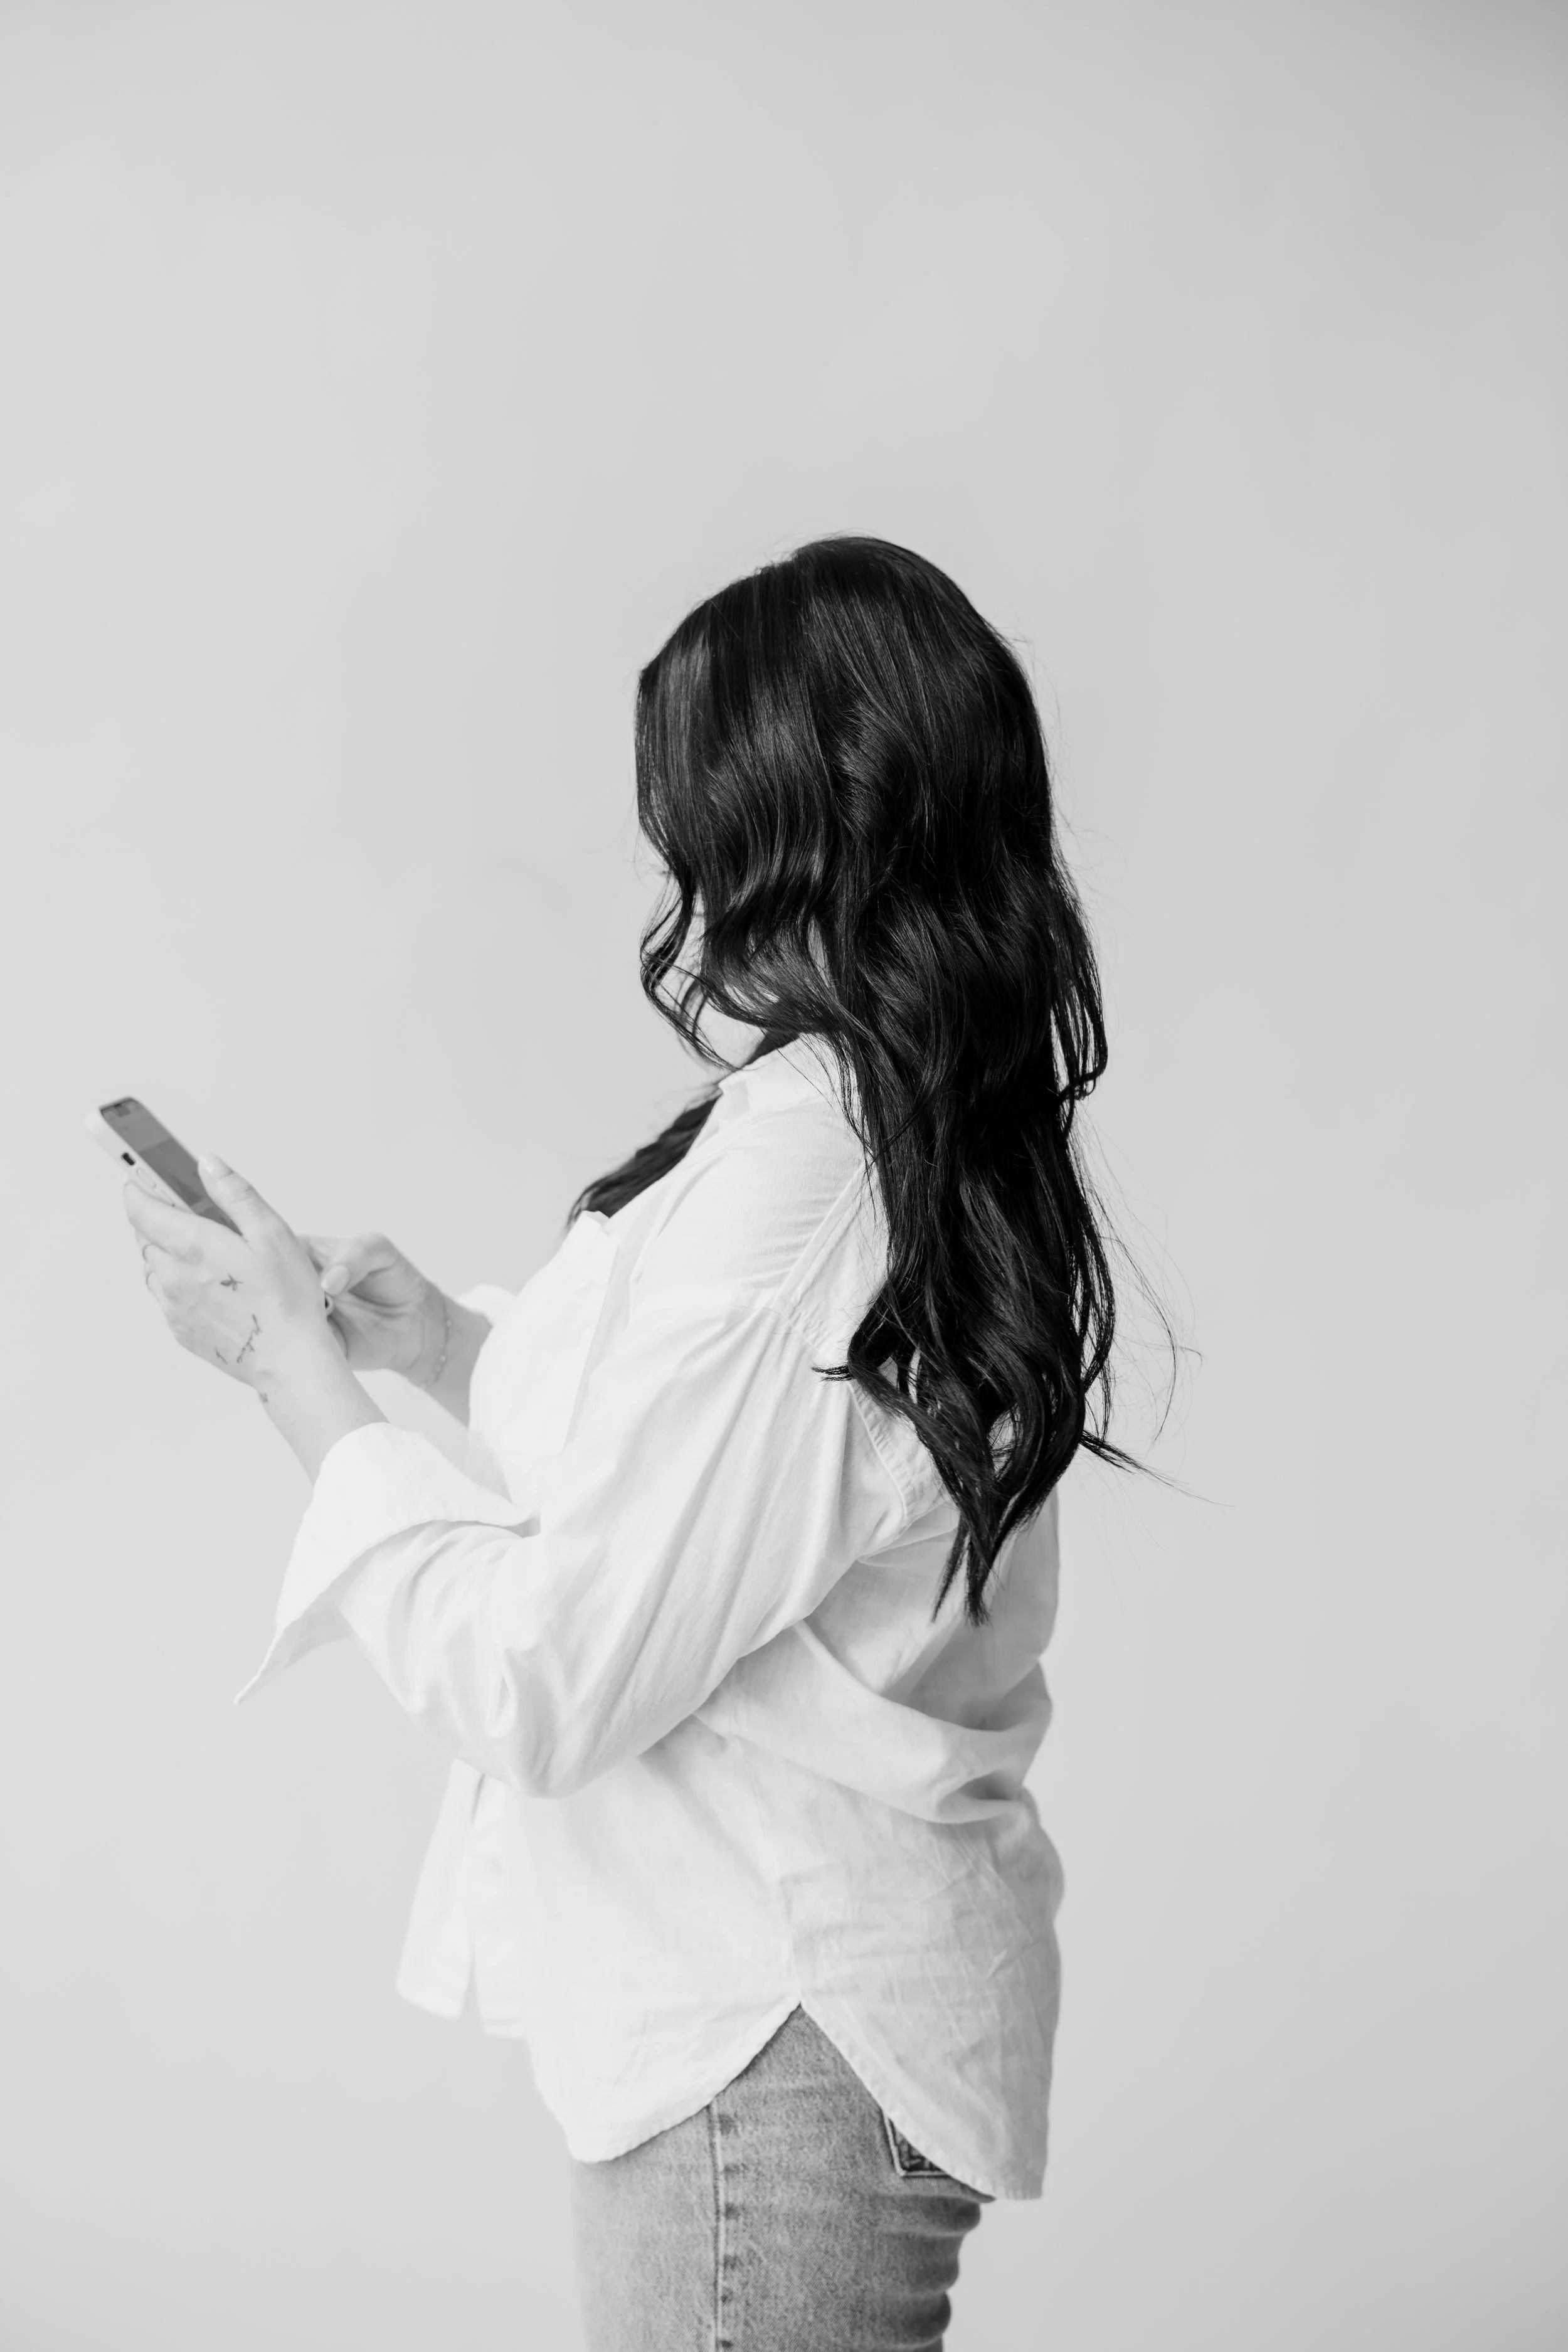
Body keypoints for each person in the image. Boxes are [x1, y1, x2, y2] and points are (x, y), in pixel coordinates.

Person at [124, 536, 1139, 2351]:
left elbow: (551, 1674)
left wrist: (292, 1377)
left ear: (793, 817)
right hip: (799, 2034)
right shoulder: (877, 1118)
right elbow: (726, 1476)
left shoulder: (817, 1165)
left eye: (696, 806)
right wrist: (438, 1348)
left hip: (773, 2032)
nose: (677, 861)